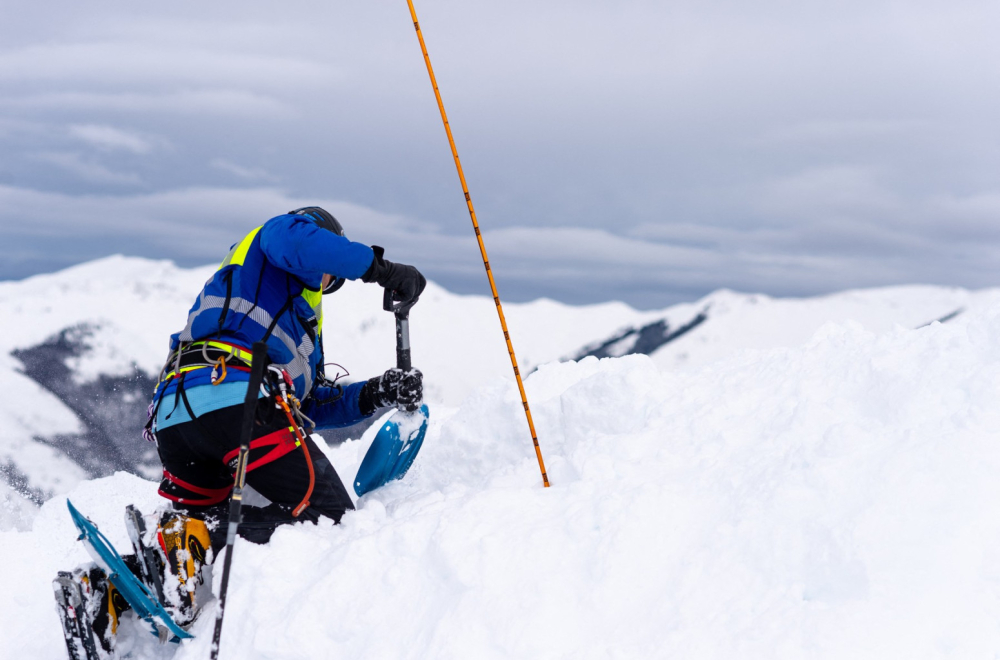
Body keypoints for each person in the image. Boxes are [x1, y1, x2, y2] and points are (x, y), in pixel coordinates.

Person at [54, 207, 426, 657]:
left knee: (193, 554)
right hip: (238, 401)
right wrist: (381, 270)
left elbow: (306, 408)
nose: (328, 280)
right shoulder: (282, 236)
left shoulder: (281, 312)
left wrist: (377, 392)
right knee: (331, 519)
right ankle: (197, 535)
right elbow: (305, 245)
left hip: (178, 414)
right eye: (331, 273)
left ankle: (108, 594)